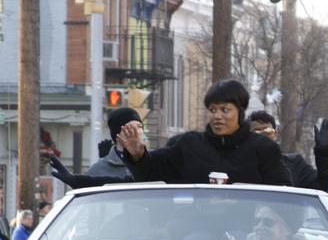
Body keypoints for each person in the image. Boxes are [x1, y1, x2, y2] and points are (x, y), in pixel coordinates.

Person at [115, 79, 290, 185]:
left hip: (249, 235)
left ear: (240, 111)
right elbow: (152, 174)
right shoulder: (189, 144)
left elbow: (281, 194)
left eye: (225, 110)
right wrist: (138, 157)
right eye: (213, 110)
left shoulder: (263, 149)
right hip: (194, 234)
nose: (218, 116)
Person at [248, 110, 328, 191]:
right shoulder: (238, 165)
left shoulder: (294, 165)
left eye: (268, 132)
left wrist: (323, 153)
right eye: (256, 133)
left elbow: (324, 187)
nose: (263, 138)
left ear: (275, 135)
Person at [87, 107, 141, 180]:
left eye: (140, 127)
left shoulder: (155, 164)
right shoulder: (97, 172)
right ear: (117, 133)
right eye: (130, 127)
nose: (137, 131)